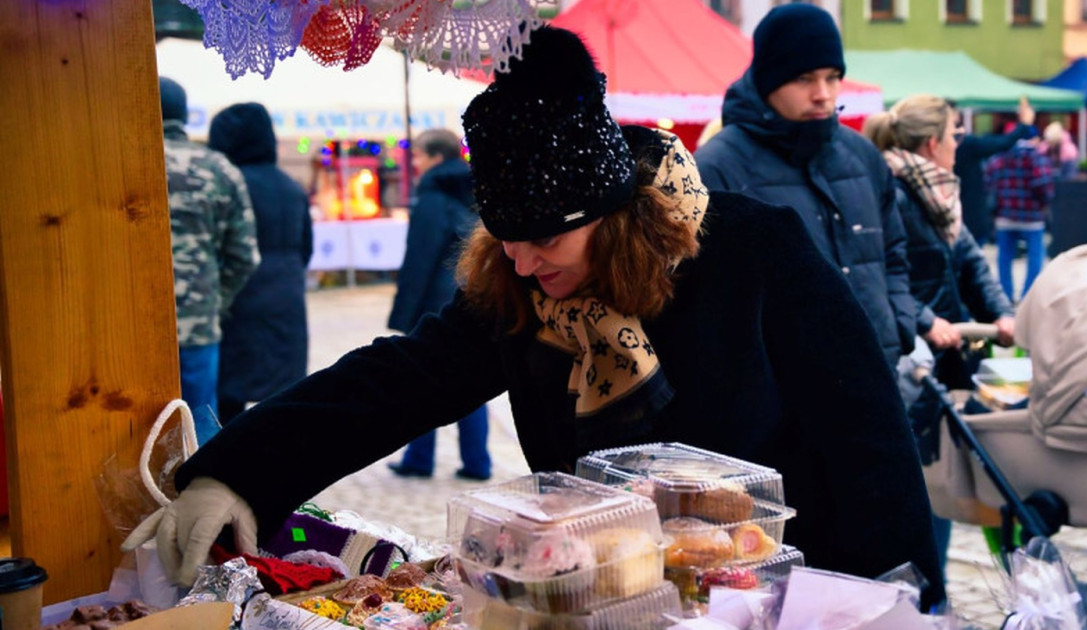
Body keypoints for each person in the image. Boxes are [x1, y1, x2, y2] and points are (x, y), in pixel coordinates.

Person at [125, 27, 945, 609]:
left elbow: (865, 433)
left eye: (546, 238)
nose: (522, 263)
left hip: (784, 594)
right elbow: (399, 380)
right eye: (505, 240)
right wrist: (240, 467)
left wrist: (898, 597)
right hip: (607, 597)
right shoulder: (522, 288)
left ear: (612, 214)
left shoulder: (756, 251)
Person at [694, 3, 915, 368]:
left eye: (831, 77)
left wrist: (898, 323)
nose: (823, 94)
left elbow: (893, 251)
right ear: (769, 79)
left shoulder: (862, 155)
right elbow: (707, 299)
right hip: (784, 402)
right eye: (804, 78)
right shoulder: (717, 168)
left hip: (879, 376)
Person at [864, 95, 1017, 580]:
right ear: (932, 143)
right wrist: (927, 319)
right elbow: (890, 273)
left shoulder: (940, 193)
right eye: (955, 135)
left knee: (962, 466)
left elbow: (970, 260)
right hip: (917, 358)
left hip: (957, 350)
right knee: (927, 476)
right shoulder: (896, 192)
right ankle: (929, 588)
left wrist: (1004, 314)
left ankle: (953, 578)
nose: (958, 144)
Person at [386, 128, 491, 481]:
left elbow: (420, 257)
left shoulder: (432, 195)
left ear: (434, 157)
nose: (413, 163)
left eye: (416, 156)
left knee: (421, 377)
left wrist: (403, 310)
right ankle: (477, 462)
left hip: (433, 298)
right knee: (473, 379)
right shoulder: (476, 189)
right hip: (468, 292)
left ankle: (419, 457)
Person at [160, 77, 259, 425]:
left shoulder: (118, 163)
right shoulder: (219, 168)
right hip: (198, 321)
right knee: (199, 423)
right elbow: (245, 256)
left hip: (128, 326)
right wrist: (216, 302)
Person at [206, 103, 312, 425]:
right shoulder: (291, 186)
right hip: (287, 300)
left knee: (229, 397)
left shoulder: (229, 183)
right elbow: (306, 247)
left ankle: (229, 466)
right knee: (282, 394)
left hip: (239, 301)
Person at [950, 97, 1038, 247]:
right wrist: (1024, 124)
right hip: (968, 220)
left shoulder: (964, 144)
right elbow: (1002, 143)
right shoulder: (965, 144)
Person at [984, 135, 1055, 303]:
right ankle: (1027, 297)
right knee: (1035, 257)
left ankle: (1005, 295)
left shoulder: (1000, 157)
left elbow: (988, 181)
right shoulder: (1037, 158)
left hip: (1005, 217)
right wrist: (1044, 202)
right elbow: (1044, 185)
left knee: (1005, 257)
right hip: (1032, 218)